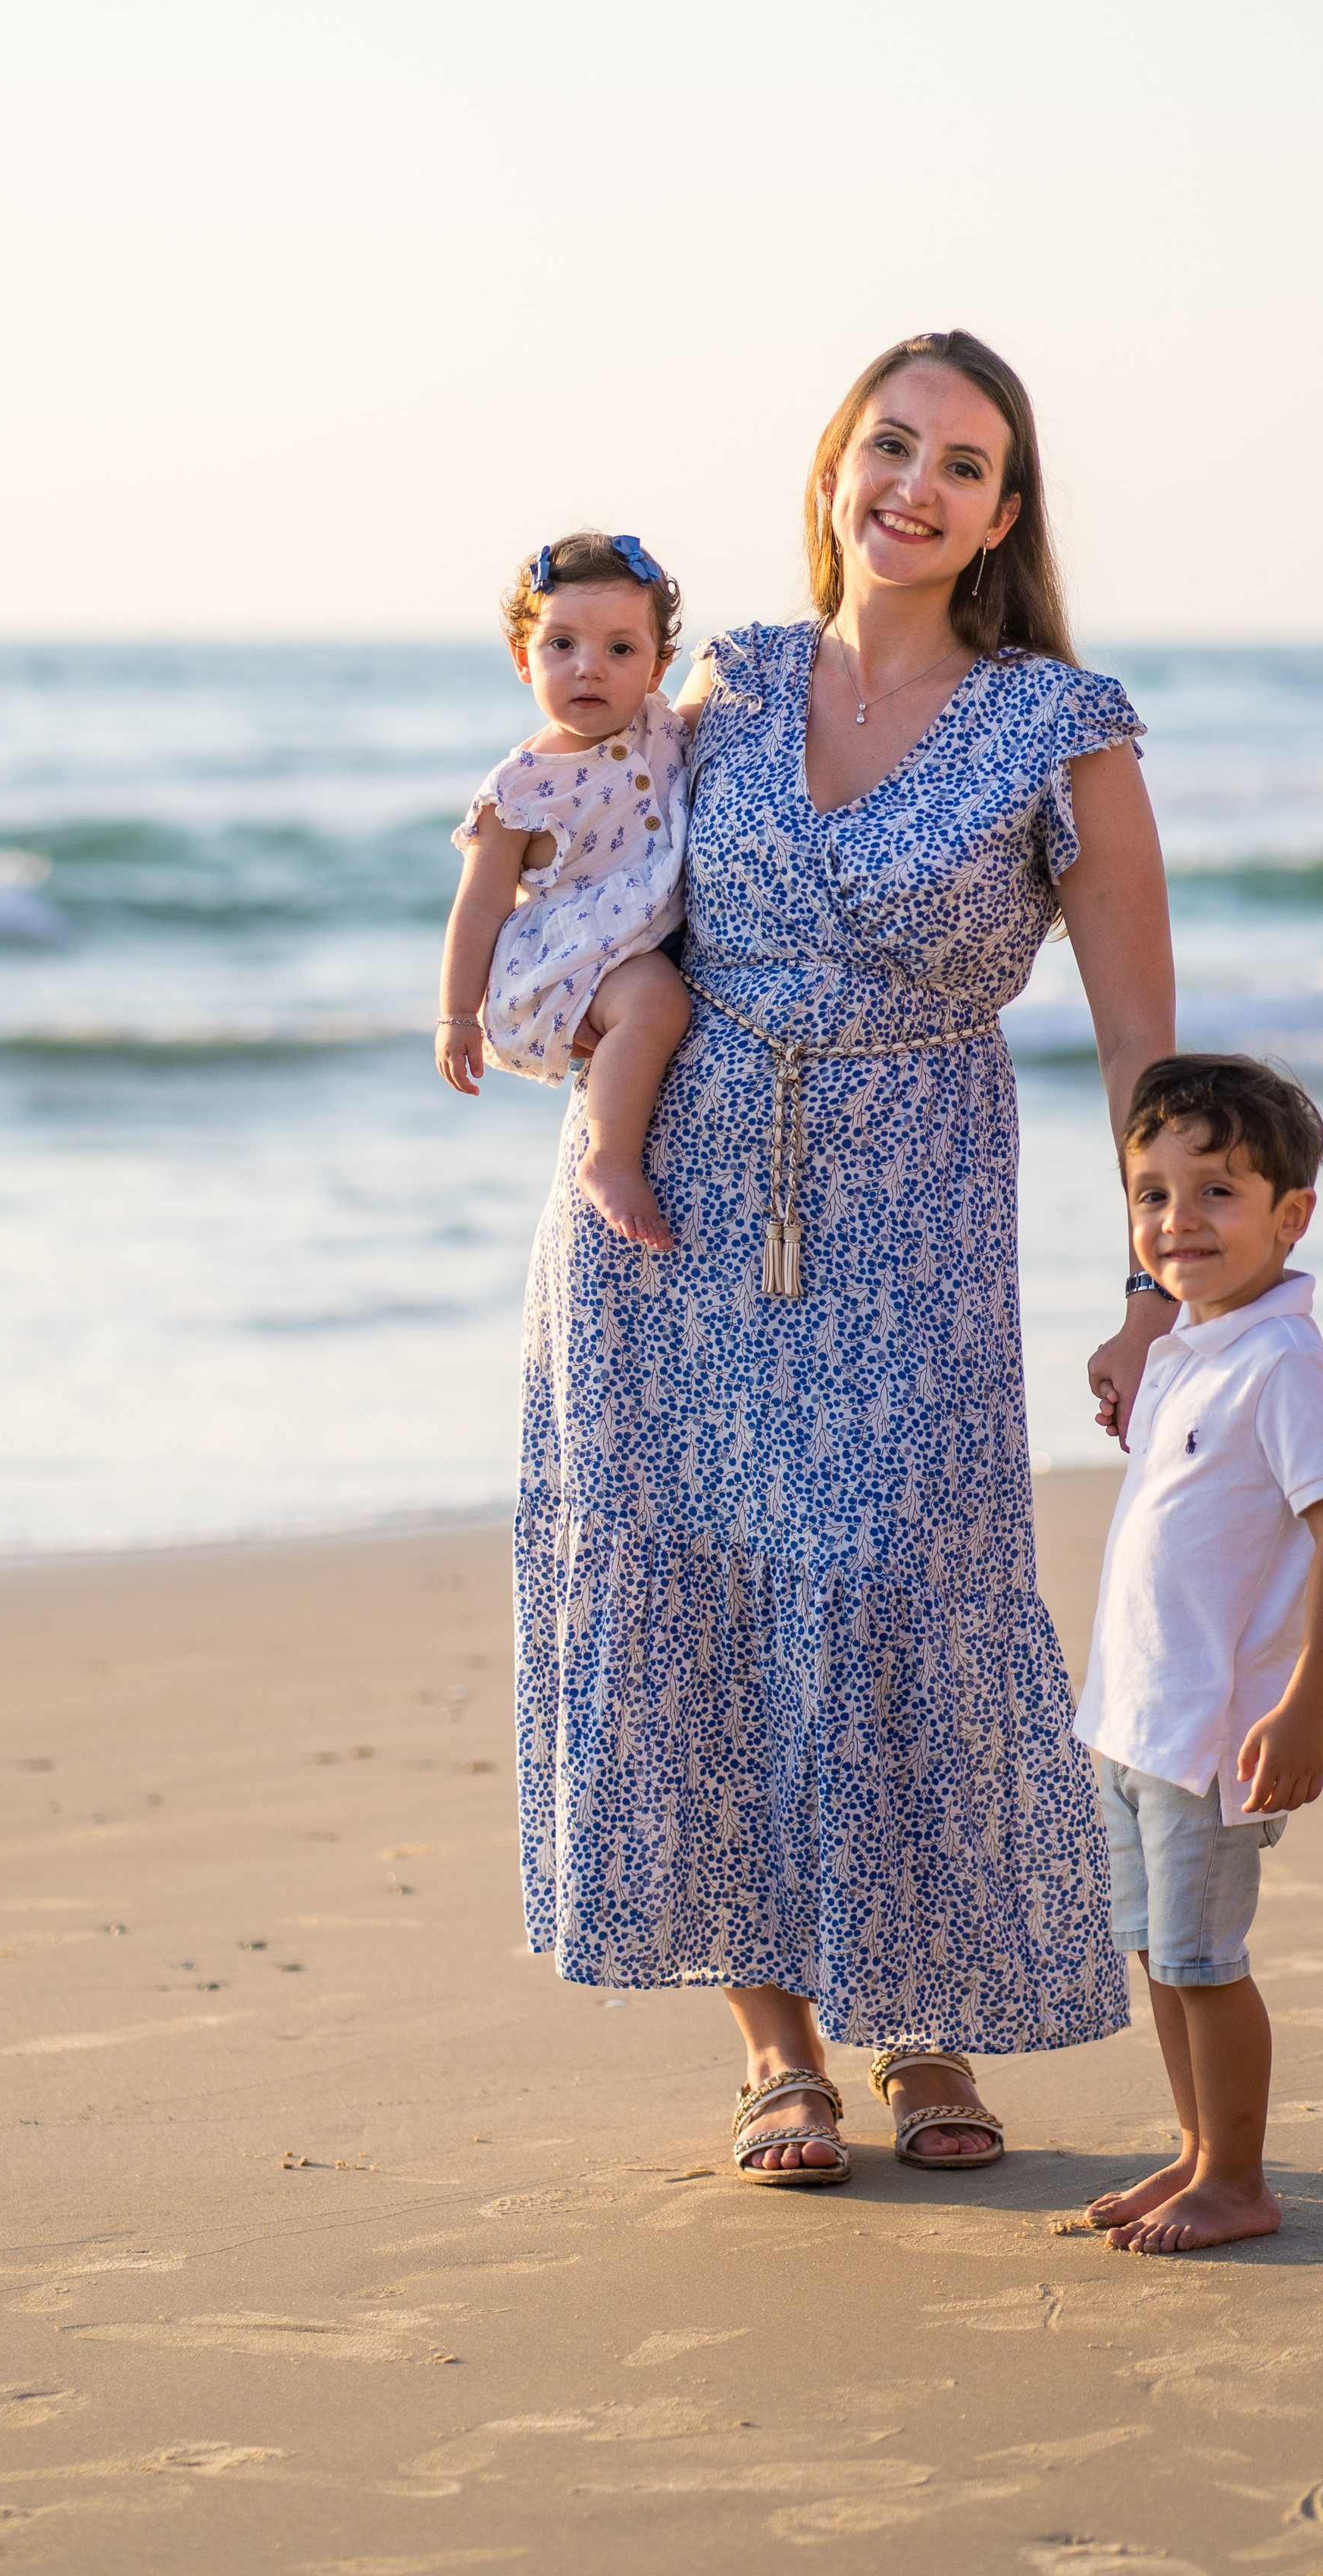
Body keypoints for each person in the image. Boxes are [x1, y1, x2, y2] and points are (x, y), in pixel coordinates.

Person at [511, 331, 1178, 2184]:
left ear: (999, 514)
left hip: (915, 1192)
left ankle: (925, 2018)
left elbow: (1139, 1025)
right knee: (693, 1578)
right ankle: (772, 2047)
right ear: (827, 470)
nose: (916, 483)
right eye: (888, 445)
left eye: (961, 464)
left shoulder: (1059, 720)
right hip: (668, 1212)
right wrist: (579, 1034)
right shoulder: (709, 685)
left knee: (906, 1572)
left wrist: (1151, 1281)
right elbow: (570, 868)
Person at [1072, 1053, 1323, 2252]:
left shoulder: (1286, 1366)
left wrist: (1306, 1710)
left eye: (1216, 1193)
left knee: (1207, 1961)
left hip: (1214, 1733)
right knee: (1159, 1954)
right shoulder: (1186, 1351)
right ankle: (1197, 2150)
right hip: (1135, 1720)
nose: (1177, 1221)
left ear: (1289, 1215)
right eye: (1151, 1194)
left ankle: (1241, 2178)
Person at [435, 532, 694, 1248]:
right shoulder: (520, 790)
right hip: (577, 953)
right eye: (561, 646)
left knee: (661, 992)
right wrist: (458, 1014)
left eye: (620, 649)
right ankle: (608, 1157)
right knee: (657, 1001)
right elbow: (481, 904)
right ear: (524, 658)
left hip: (640, 932)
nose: (589, 668)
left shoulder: (660, 726)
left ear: (655, 668)